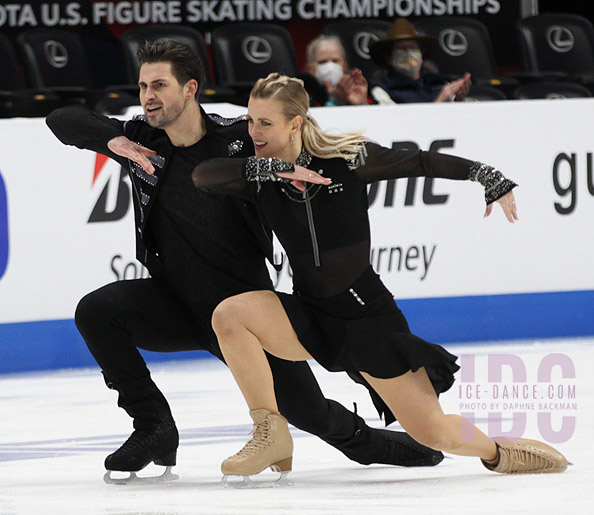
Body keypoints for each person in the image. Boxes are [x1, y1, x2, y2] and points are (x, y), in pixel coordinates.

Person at [45, 40, 445, 482]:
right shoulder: (141, 140)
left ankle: (394, 447)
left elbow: (301, 146)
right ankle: (153, 426)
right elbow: (61, 119)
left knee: (312, 416)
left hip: (244, 317)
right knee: (97, 312)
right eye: (142, 86)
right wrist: (111, 139)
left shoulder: (238, 138)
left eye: (159, 85)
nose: (147, 97)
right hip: (175, 304)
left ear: (190, 88)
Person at [192, 73, 568, 480]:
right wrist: (269, 169)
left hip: (368, 323)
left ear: (295, 123)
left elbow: (421, 161)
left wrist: (484, 174)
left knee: (433, 432)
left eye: (265, 123)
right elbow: (203, 176)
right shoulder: (259, 176)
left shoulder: (347, 161)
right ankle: (270, 430)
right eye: (250, 121)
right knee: (230, 315)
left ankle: (498, 452)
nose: (254, 131)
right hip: (310, 316)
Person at [368, 18, 472, 104]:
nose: (409, 54)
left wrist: (458, 99)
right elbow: (395, 126)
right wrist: (439, 102)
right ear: (389, 58)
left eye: (413, 48)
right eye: (402, 49)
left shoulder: (438, 84)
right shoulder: (382, 91)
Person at [301, 35, 369, 107]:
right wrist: (336, 101)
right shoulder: (299, 96)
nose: (330, 66)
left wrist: (361, 104)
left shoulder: (361, 90)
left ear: (344, 66)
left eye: (335, 61)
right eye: (323, 62)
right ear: (310, 68)